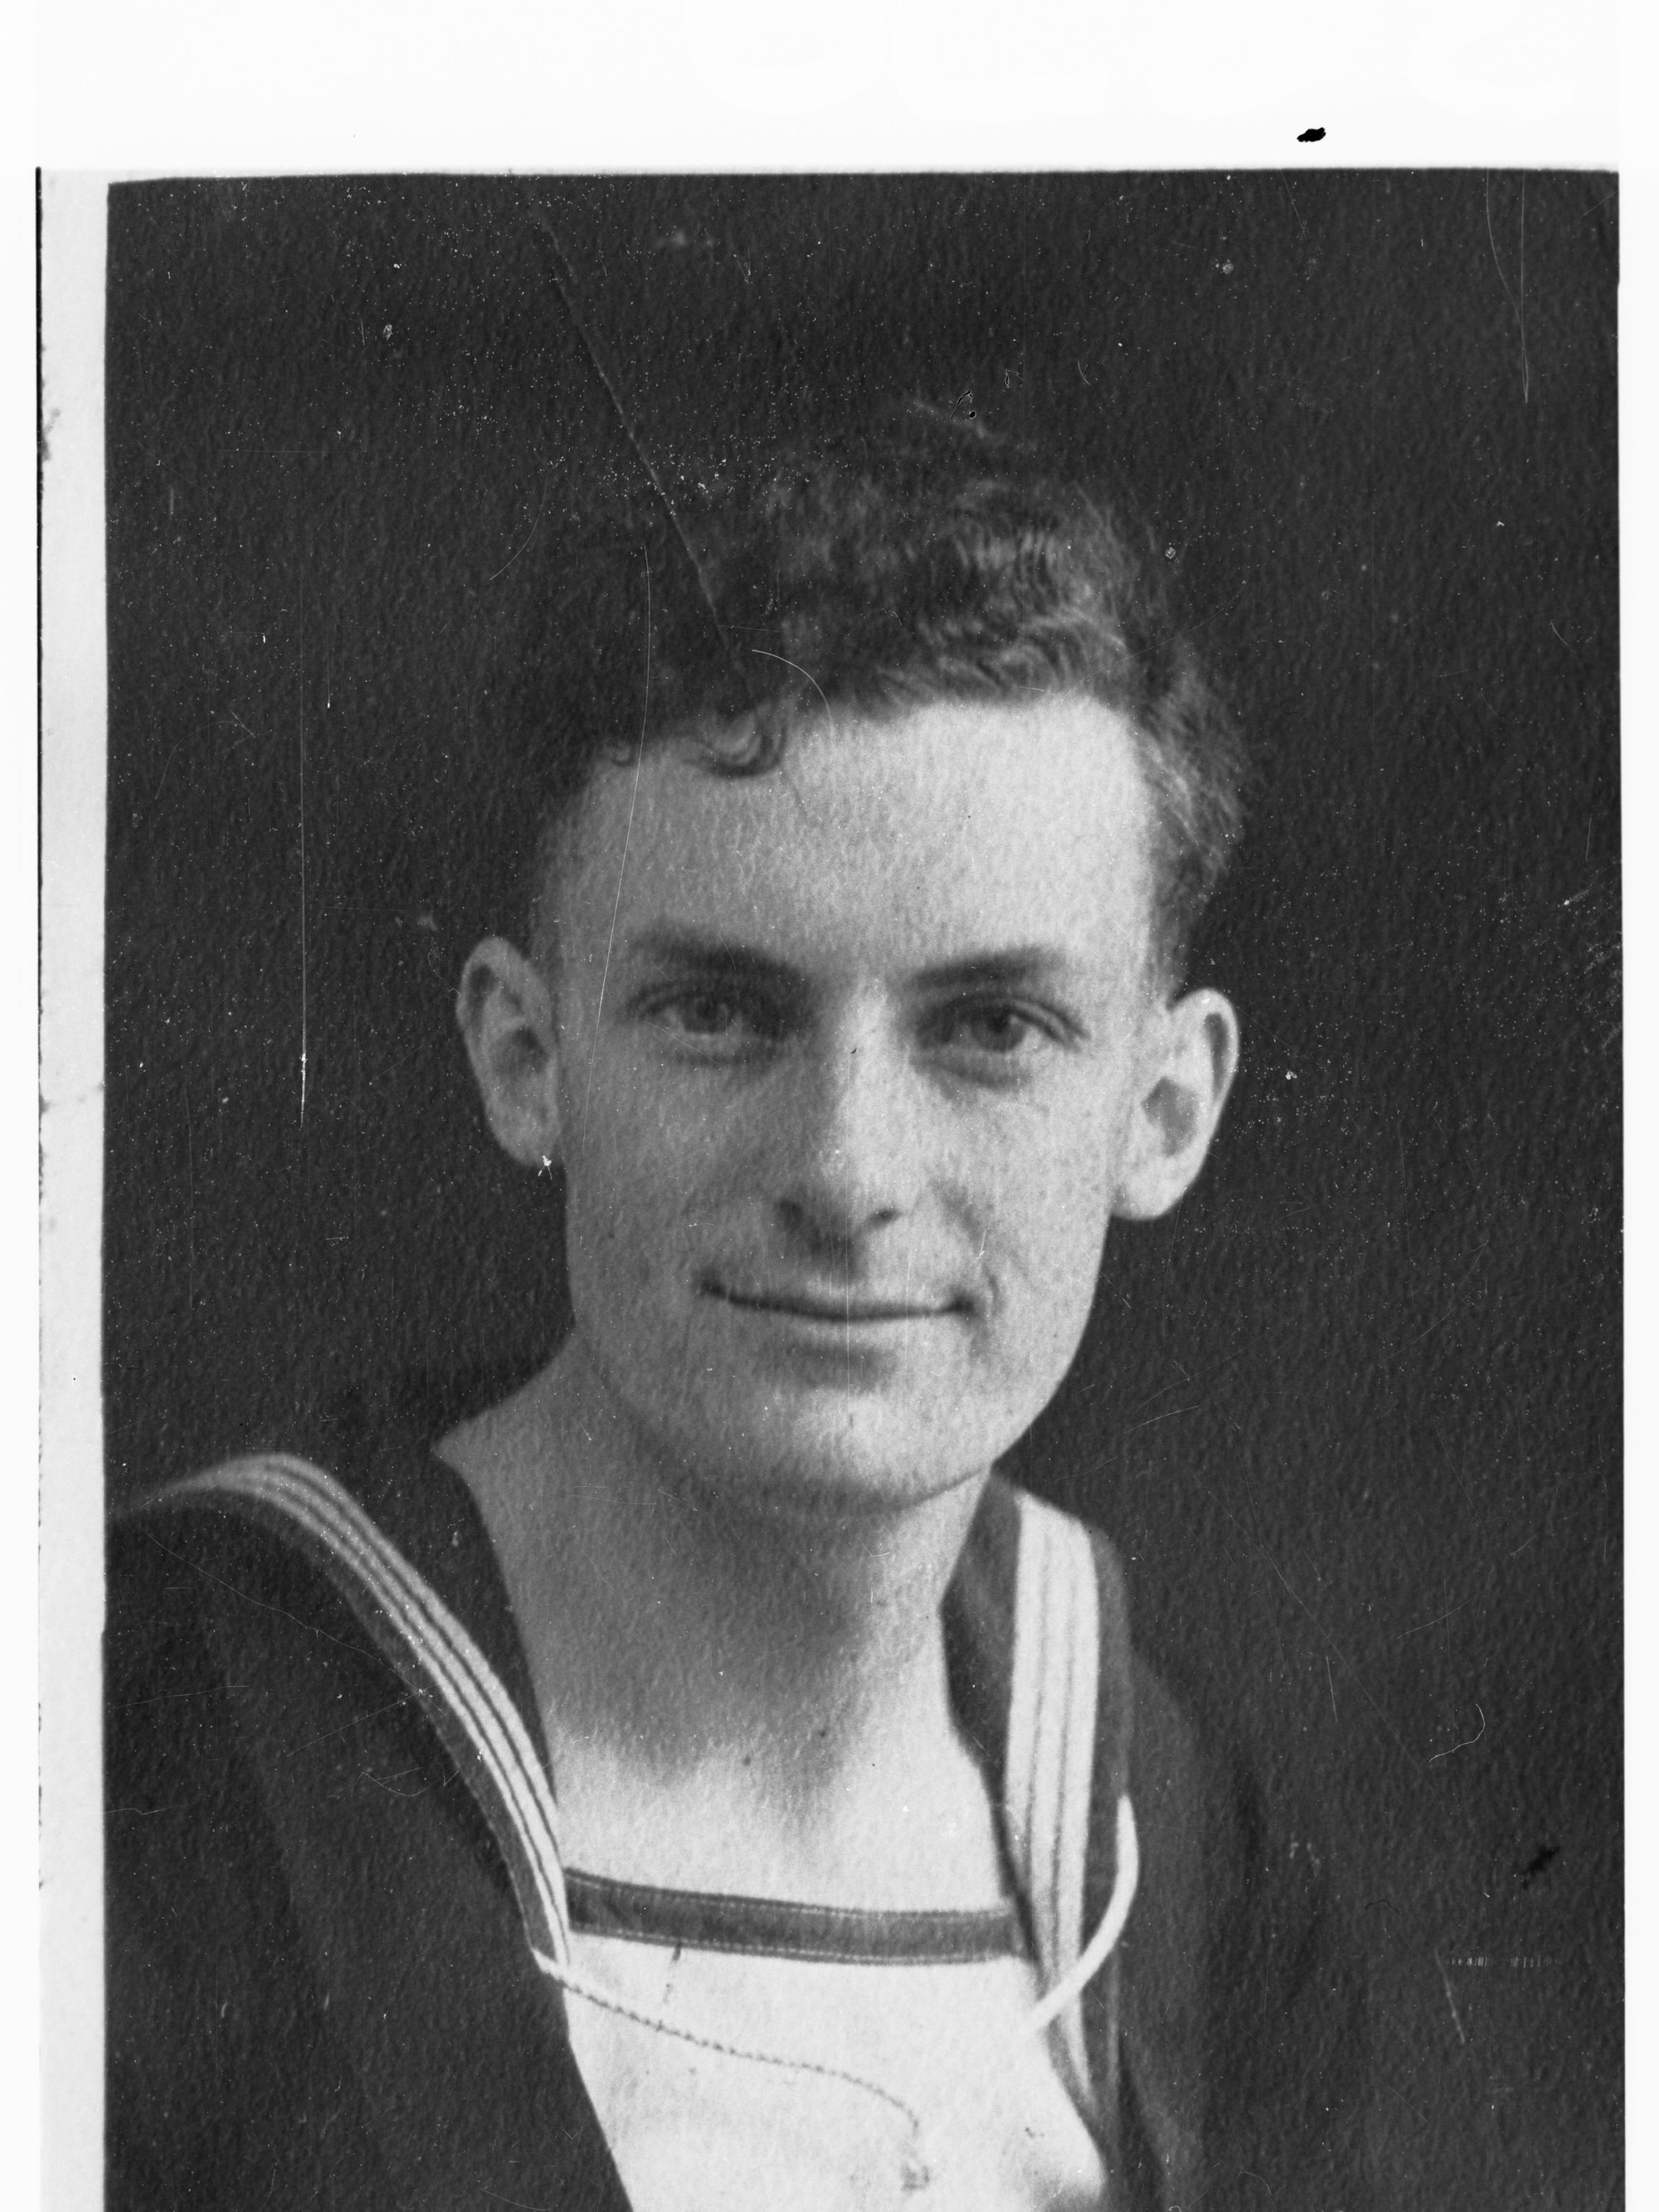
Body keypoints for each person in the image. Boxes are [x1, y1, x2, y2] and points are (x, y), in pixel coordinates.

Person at [106, 408, 1370, 2210]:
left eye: (991, 1027)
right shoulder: (143, 1747)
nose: (847, 1170)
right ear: (527, 1057)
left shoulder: (1186, 1851)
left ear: (1163, 1111)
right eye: (719, 1012)